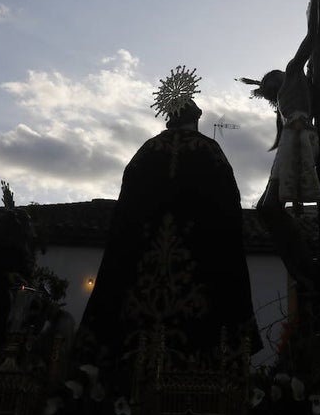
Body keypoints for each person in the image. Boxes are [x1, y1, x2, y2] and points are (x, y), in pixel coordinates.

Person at [78, 66, 260, 367]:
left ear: (168, 117)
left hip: (140, 280)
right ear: (195, 119)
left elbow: (124, 219)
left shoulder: (144, 153)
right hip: (199, 277)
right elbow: (228, 217)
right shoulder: (210, 152)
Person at [239, 0, 320, 290]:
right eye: (264, 83)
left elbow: (313, 30)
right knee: (266, 207)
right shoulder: (281, 106)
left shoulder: (292, 73)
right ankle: (299, 263)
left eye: (267, 77)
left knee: (271, 206)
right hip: (295, 137)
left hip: (302, 136)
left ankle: (305, 262)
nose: (267, 80)